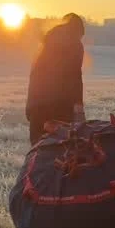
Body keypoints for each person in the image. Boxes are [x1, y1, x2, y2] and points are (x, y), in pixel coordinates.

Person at [26, 13, 86, 144]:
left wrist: (31, 108)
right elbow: (75, 76)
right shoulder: (74, 44)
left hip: (37, 106)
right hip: (59, 107)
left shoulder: (45, 44)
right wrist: (78, 106)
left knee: (37, 150)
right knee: (59, 151)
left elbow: (35, 75)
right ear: (78, 30)